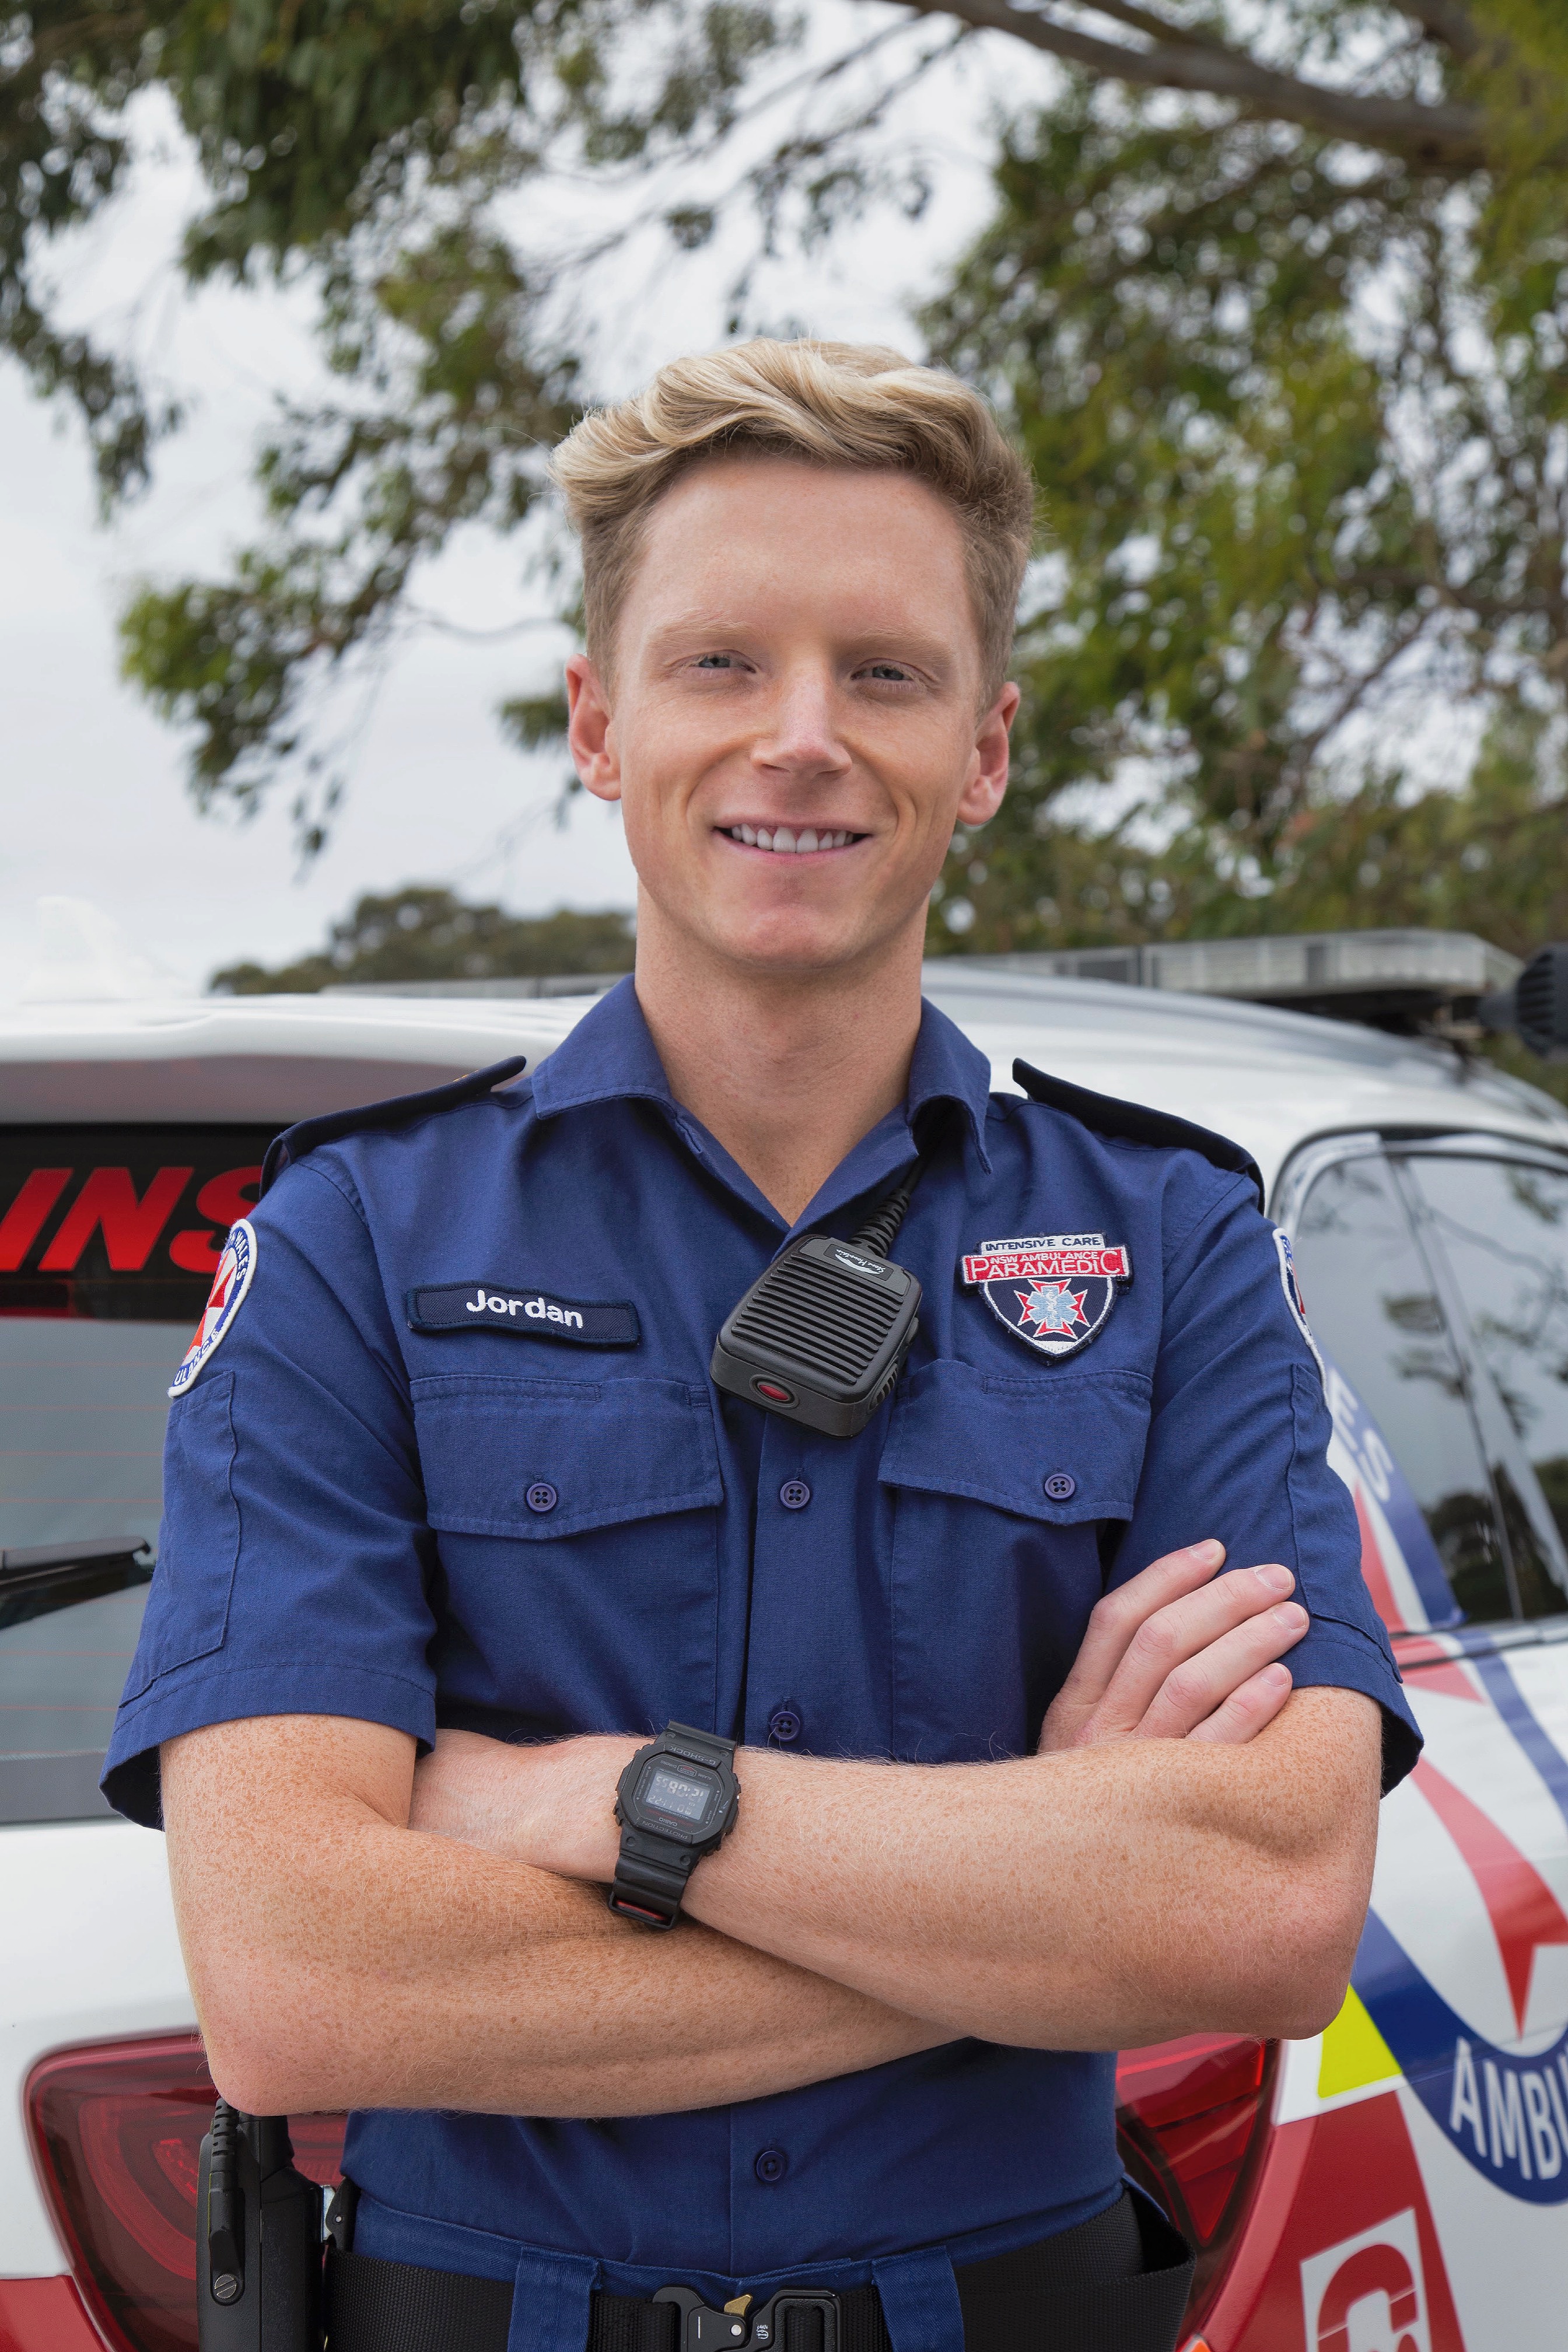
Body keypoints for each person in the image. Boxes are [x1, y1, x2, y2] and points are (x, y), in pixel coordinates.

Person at [104, 340, 1419, 2352]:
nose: (801, 738)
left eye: (883, 673)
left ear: (983, 750)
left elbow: (1261, 1915)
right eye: (721, 664)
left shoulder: (1176, 1242)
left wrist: (613, 1797)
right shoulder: (354, 1241)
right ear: (599, 723)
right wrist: (1038, 1891)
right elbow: (297, 1981)